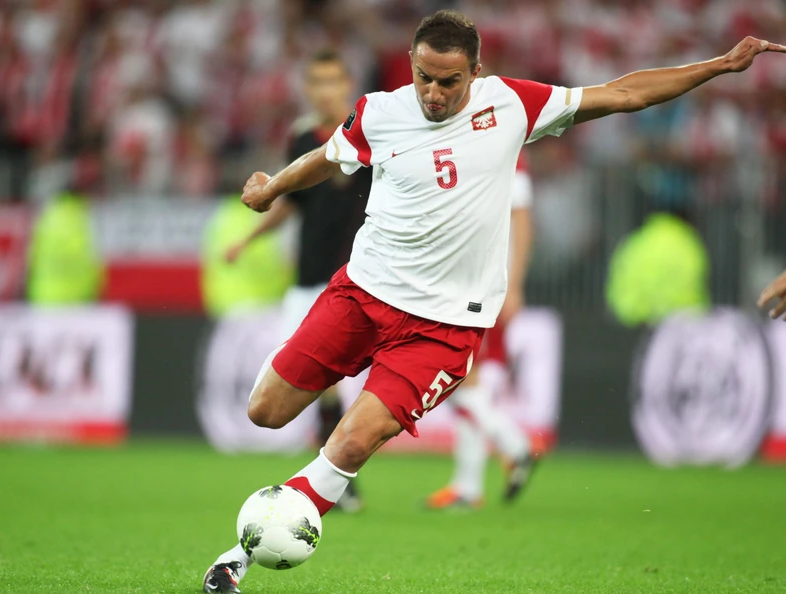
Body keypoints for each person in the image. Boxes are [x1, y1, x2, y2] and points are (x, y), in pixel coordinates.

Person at [203, 10, 785, 592]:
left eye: (449, 81)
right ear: (412, 64)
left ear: (476, 72)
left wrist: (719, 65)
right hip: (362, 294)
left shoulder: (511, 104)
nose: (433, 93)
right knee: (265, 411)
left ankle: (241, 555)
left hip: (441, 328)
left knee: (353, 441)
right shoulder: (379, 111)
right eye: (424, 77)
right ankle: (283, 514)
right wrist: (273, 186)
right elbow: (330, 156)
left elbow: (625, 93)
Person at [223, 49, 371, 513]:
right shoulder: (303, 138)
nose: (325, 91)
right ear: (307, 89)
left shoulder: (372, 128)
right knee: (308, 380)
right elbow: (290, 200)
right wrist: (248, 239)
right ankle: (337, 479)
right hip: (307, 278)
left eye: (332, 81)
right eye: (317, 82)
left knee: (331, 383)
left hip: (356, 279)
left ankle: (337, 480)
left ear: (346, 84)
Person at [425, 156, 536, 510]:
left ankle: (512, 448)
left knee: (457, 373)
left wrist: (513, 284)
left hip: (486, 284)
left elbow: (521, 218)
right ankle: (471, 482)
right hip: (465, 278)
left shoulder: (507, 144)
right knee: (461, 377)